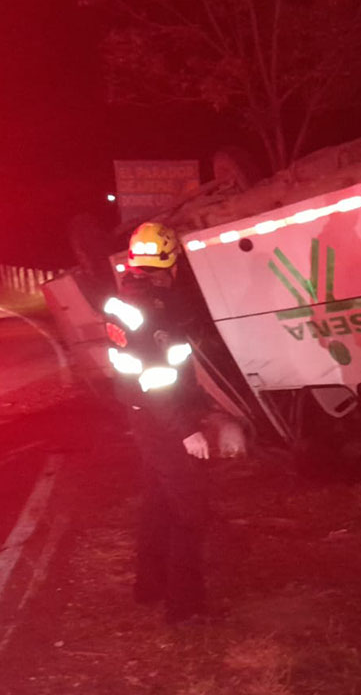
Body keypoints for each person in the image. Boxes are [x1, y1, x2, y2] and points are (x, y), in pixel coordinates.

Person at [105, 221, 217, 623]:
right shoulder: (154, 311)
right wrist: (186, 429)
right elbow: (157, 378)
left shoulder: (125, 301)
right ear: (170, 263)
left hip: (143, 415)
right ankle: (185, 609)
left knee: (158, 502)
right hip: (162, 418)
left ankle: (149, 586)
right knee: (189, 510)